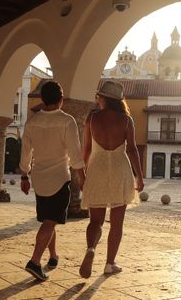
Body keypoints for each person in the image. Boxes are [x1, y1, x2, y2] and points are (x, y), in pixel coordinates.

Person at [19, 81, 85, 281]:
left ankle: (53, 256)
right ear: (61, 100)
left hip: (39, 179)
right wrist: (83, 178)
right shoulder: (67, 121)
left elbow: (25, 153)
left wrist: (24, 175)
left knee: (49, 219)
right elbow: (75, 155)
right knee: (50, 221)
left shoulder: (32, 122)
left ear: (42, 99)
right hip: (59, 179)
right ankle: (34, 262)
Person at [79, 80, 144, 278]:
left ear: (104, 98)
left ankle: (91, 248)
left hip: (97, 168)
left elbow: (87, 149)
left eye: (99, 96)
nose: (97, 99)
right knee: (117, 223)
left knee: (95, 221)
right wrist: (139, 176)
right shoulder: (126, 120)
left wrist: (82, 174)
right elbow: (132, 149)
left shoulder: (92, 117)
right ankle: (109, 263)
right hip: (120, 169)